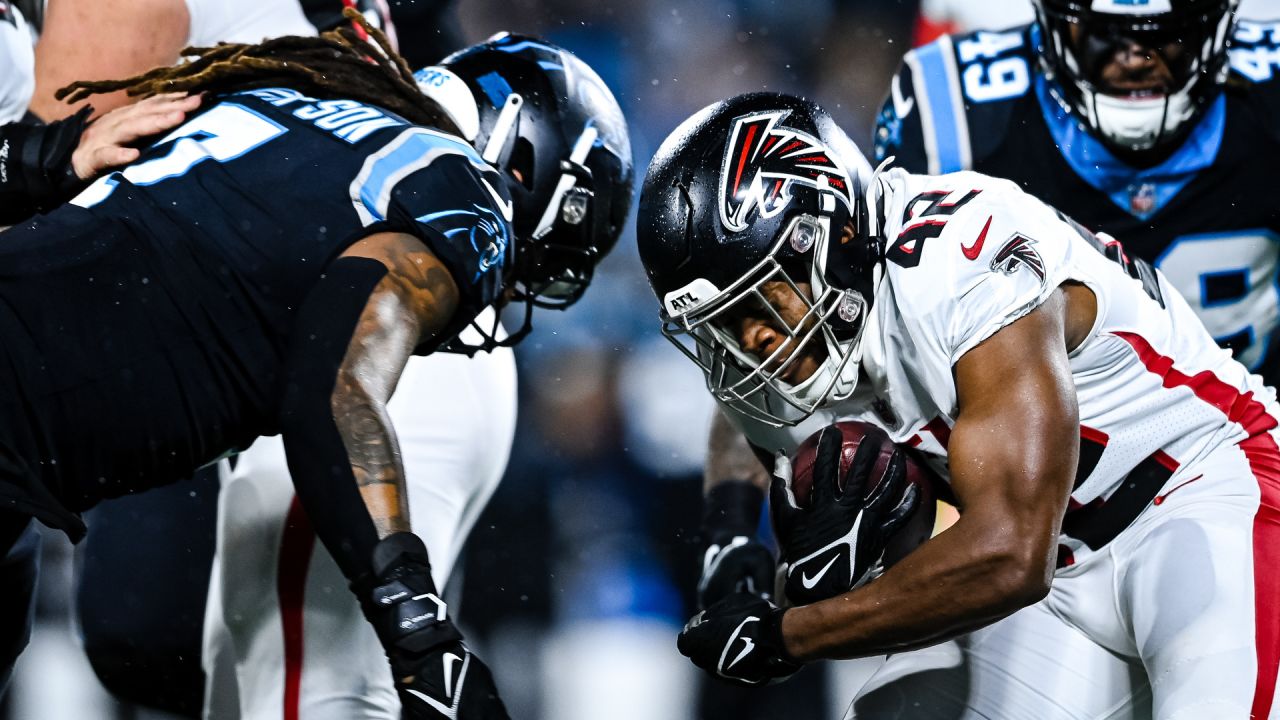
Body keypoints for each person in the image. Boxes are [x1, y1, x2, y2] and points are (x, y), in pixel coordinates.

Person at [0, 19, 633, 720]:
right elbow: (333, 391)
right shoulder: (463, 195)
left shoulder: (271, 93)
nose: (515, 287)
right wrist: (421, 634)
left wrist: (32, 159)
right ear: (523, 167)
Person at [637, 91, 1279, 718]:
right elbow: (738, 415)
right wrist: (730, 544)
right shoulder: (787, 334)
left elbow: (1011, 553)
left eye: (760, 303)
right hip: (1062, 563)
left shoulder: (962, 255)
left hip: (1202, 489)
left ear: (833, 236)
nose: (752, 342)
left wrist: (787, 632)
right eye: (721, 323)